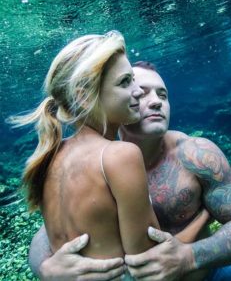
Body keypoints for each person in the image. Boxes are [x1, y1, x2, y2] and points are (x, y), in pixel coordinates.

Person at [29, 61, 231, 280]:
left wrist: (190, 257)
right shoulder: (95, 161)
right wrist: (45, 268)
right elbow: (47, 230)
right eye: (142, 91)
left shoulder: (196, 154)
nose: (156, 101)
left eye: (163, 94)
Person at [10, 33, 166, 280]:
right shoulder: (120, 155)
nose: (138, 92)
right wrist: (202, 219)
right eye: (125, 82)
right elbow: (148, 262)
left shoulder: (50, 156)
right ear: (84, 96)